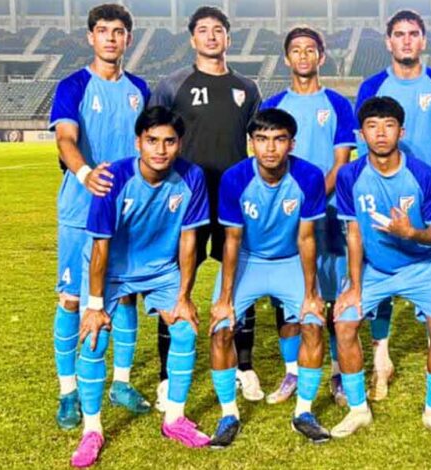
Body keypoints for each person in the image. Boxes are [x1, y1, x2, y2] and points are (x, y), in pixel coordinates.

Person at [69, 106, 211, 467]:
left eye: (169, 141)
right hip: (111, 270)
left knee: (185, 330)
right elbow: (100, 247)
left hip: (161, 269)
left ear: (180, 144)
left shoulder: (192, 176)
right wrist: (95, 306)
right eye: (152, 141)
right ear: (138, 142)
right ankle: (92, 430)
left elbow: (189, 240)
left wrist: (183, 297)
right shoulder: (113, 178)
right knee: (94, 339)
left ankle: (174, 419)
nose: (160, 150)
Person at [149, 5, 262, 409]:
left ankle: (244, 367)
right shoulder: (172, 84)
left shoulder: (247, 88)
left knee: (241, 281)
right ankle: (166, 377)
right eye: (203, 29)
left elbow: (259, 142)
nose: (211, 36)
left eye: (218, 29)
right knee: (175, 284)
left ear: (228, 37)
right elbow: (154, 136)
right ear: (192, 38)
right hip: (187, 199)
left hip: (233, 199)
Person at [49, 3, 151, 430]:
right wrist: (86, 174)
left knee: (125, 295)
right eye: (103, 30)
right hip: (81, 209)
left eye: (118, 31)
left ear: (128, 39)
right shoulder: (73, 85)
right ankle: (68, 391)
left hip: (129, 212)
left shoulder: (140, 89)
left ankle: (121, 383)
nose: (111, 37)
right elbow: (65, 139)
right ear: (91, 37)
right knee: (72, 298)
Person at [331, 97, 431, 441]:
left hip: (422, 266)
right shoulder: (350, 175)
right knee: (344, 322)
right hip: (376, 268)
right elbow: (354, 233)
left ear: (401, 131)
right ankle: (358, 410)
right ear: (361, 134)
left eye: (388, 125)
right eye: (372, 126)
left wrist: (410, 233)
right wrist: (354, 286)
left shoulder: (423, 174)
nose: (381, 133)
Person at [354, 9, 431, 401]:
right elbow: (362, 140)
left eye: (413, 34)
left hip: (427, 199)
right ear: (388, 41)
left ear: (423, 40)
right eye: (399, 34)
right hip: (380, 196)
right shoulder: (372, 85)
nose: (406, 40)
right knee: (379, 270)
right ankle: (381, 361)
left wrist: (425, 185)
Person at [208, 108, 329, 446]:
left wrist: (311, 294)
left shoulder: (309, 176)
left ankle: (304, 413)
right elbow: (231, 241)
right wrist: (225, 299)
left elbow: (307, 238)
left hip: (290, 260)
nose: (270, 148)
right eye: (262, 139)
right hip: (249, 260)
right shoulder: (235, 178)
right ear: (251, 143)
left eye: (279, 139)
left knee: (313, 324)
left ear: (292, 143)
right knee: (221, 329)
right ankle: (228, 415)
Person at [260, 26, 358, 406]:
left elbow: (341, 162)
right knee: (288, 297)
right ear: (287, 58)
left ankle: (335, 371)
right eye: (296, 50)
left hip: (329, 212)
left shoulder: (337, 104)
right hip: (286, 214)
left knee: (330, 293)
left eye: (310, 50)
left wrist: (313, 199)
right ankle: (292, 371)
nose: (303, 56)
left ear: (321, 56)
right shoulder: (274, 105)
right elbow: (267, 160)